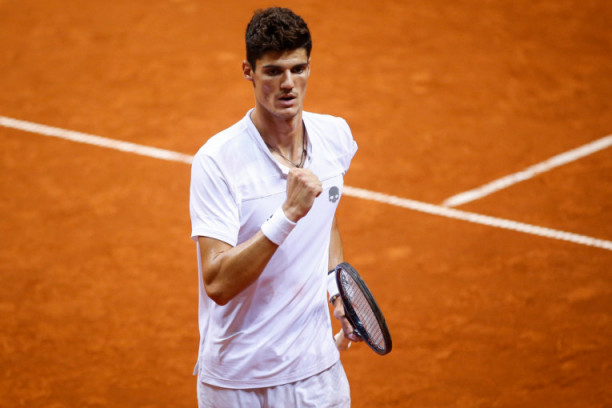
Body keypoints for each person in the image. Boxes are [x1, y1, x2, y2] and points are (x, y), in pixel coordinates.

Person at [189, 7, 360, 407]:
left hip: (318, 374)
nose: (288, 84)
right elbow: (218, 283)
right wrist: (286, 215)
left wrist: (337, 289)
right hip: (238, 382)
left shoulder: (335, 137)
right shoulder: (217, 161)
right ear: (248, 71)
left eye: (298, 69)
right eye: (273, 72)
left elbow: (326, 222)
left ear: (310, 67)